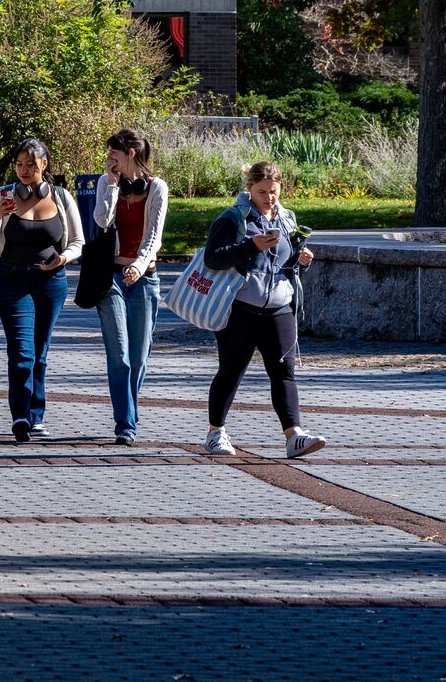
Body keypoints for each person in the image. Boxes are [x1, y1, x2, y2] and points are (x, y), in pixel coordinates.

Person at [202, 161, 327, 459]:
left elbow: (286, 262)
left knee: (284, 371)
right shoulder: (234, 218)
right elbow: (213, 259)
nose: (269, 197)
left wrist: (301, 260)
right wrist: (251, 246)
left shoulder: (286, 218)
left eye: (273, 191)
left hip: (279, 307)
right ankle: (215, 433)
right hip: (241, 307)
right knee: (232, 370)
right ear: (249, 189)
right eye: (262, 192)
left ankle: (294, 436)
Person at [0, 138, 85, 441]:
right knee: (22, 351)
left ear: (44, 165)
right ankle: (21, 415)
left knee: (40, 352)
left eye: (30, 164)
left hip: (51, 282)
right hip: (12, 280)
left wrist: (63, 258)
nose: (24, 170)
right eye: (19, 164)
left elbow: (78, 242)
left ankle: (37, 417)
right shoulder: (3, 196)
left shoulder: (62, 198)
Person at [93, 128, 171, 445]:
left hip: (145, 277)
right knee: (120, 355)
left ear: (132, 155)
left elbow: (155, 234)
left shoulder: (157, 188)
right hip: (110, 276)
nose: (109, 158)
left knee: (139, 358)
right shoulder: (105, 182)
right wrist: (111, 185)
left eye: (115, 153)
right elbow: (101, 220)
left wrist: (139, 265)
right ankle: (125, 424)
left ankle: (129, 412)